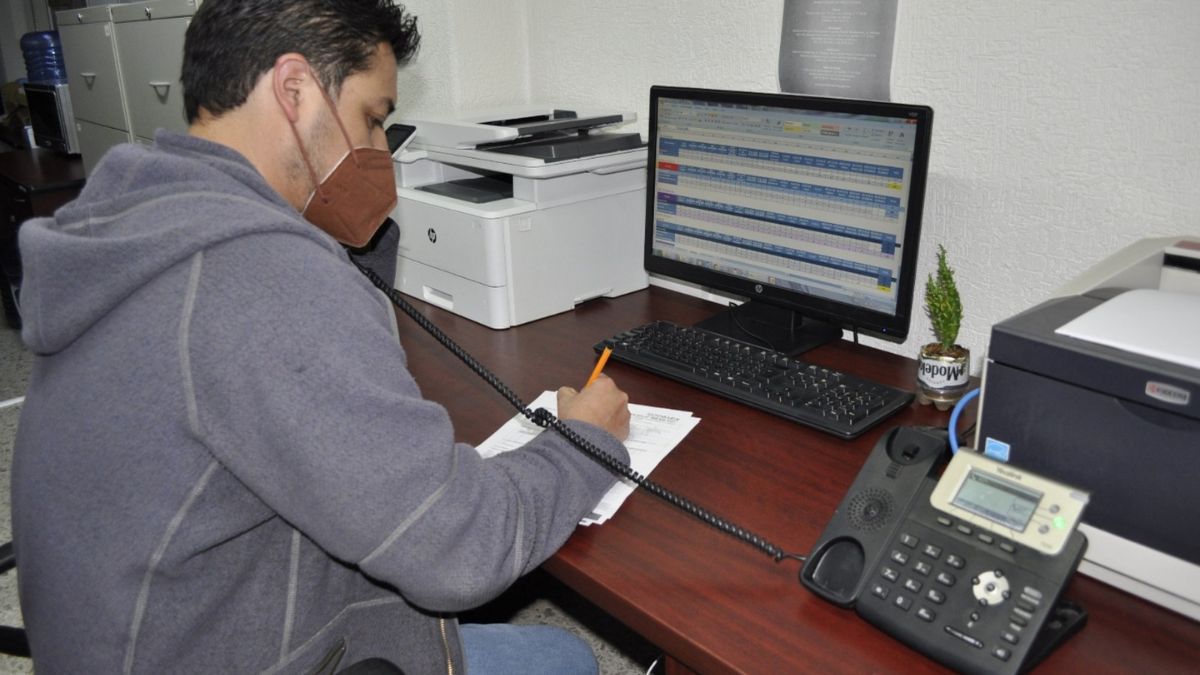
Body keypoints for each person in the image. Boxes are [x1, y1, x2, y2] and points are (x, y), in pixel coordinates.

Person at [11, 1, 632, 673]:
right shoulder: (254, 275)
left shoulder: (145, 215)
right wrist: (584, 439)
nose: (377, 153)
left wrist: (333, 248)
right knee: (563, 658)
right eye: (372, 118)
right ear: (295, 89)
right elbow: (461, 549)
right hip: (219, 650)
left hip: (153, 635)